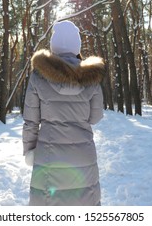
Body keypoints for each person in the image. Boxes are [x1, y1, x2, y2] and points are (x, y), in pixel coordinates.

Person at [22, 20, 105, 206]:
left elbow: (31, 121)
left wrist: (29, 150)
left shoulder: (39, 76)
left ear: (54, 46)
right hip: (84, 155)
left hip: (49, 156)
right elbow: (95, 117)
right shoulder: (92, 78)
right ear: (77, 46)